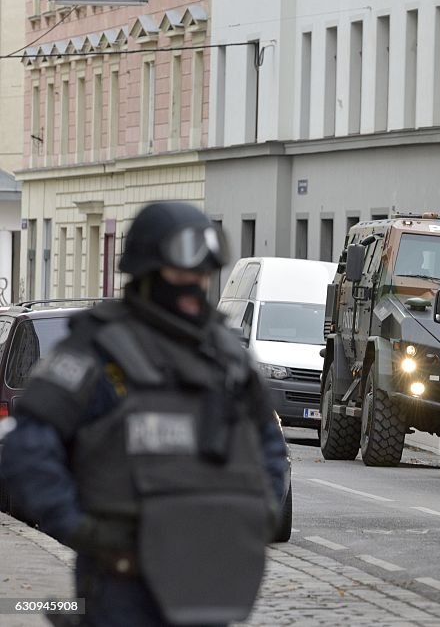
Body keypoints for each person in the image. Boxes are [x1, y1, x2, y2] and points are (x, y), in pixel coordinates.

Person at [0, 202, 289, 627]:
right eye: (182, 274)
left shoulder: (224, 355)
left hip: (204, 582)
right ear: (148, 272)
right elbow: (27, 447)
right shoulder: (97, 349)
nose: (195, 285)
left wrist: (259, 511)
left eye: (203, 275)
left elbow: (267, 441)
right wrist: (78, 527)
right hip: (121, 586)